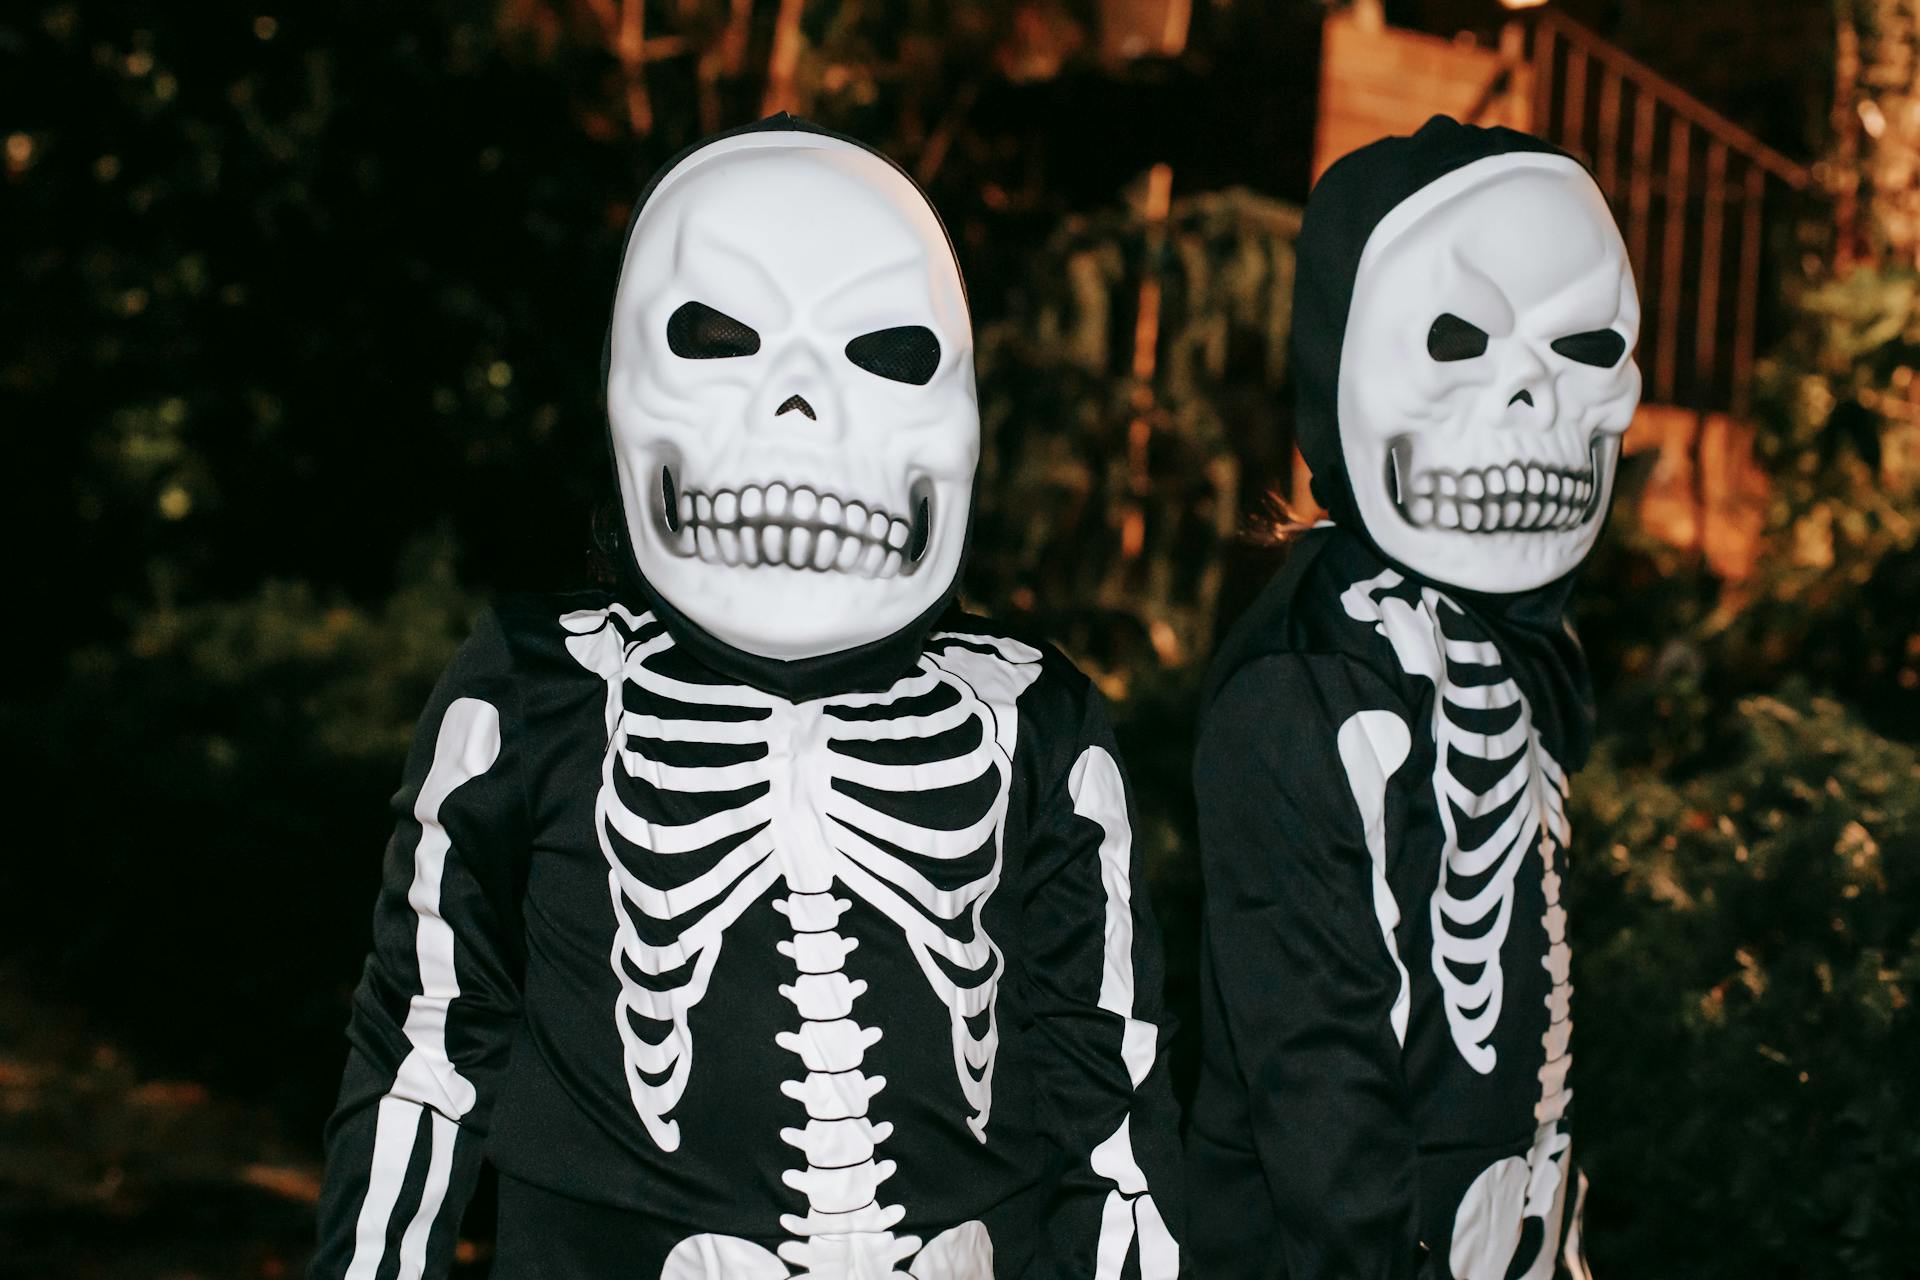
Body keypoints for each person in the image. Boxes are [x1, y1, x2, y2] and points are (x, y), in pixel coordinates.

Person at [309, 115, 1183, 1280]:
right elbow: (422, 1055)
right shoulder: (536, 687)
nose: (801, 406)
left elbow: (1109, 1101)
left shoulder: (1032, 716)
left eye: (882, 350)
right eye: (723, 338)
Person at [1185, 116, 1640, 1279]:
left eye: (1583, 344)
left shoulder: (1516, 656)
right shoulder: (1304, 687)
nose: (1534, 397)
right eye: (1461, 339)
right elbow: (1320, 1106)